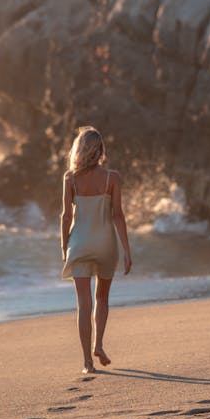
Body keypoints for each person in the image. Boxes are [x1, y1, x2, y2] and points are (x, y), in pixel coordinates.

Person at [60, 126, 132, 374]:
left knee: (84, 303)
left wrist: (64, 246)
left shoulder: (70, 178)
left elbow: (66, 216)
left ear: (79, 149)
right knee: (102, 298)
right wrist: (127, 251)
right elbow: (118, 216)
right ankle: (98, 345)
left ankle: (87, 363)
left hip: (79, 244)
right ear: (100, 150)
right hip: (105, 244)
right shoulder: (112, 178)